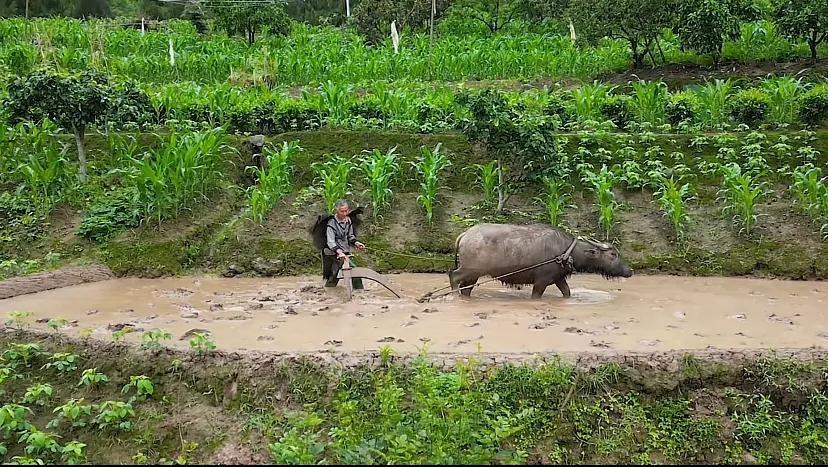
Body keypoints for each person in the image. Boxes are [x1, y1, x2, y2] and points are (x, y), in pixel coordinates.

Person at [322, 199, 366, 289]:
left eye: (346, 211)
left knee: (343, 274)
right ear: (337, 210)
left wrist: (357, 243)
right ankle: (328, 291)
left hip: (344, 253)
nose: (344, 213)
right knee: (338, 274)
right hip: (332, 253)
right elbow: (330, 242)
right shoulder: (331, 223)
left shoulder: (348, 221)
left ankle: (359, 293)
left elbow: (350, 236)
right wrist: (339, 252)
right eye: (342, 211)